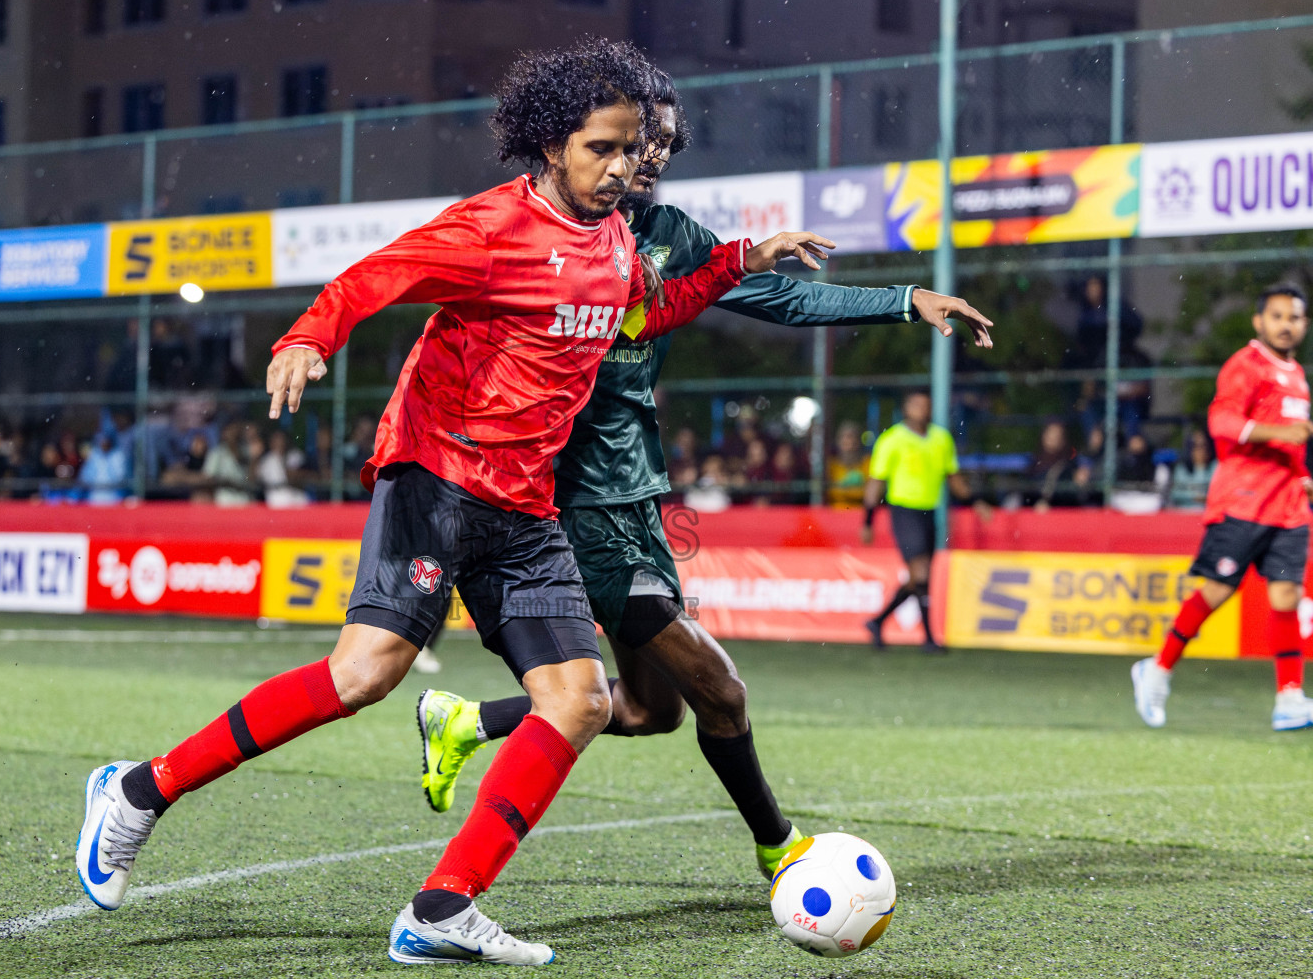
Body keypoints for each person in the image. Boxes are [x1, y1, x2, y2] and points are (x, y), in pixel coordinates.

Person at [75, 38, 823, 966]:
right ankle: (141, 791)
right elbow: (374, 277)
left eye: (633, 151)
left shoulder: (620, 244)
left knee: (581, 699)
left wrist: (750, 255)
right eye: (604, 149)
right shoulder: (489, 229)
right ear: (551, 145)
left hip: (528, 508)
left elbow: (647, 307)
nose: (622, 168)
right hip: (437, 475)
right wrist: (307, 338)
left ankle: (440, 909)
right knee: (363, 677)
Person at [411, 67, 993, 895]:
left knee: (652, 711)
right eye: (637, 136)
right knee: (722, 690)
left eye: (665, 144)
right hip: (575, 505)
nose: (650, 155)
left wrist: (905, 300)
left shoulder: (671, 234)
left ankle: (465, 720)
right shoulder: (541, 228)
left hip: (637, 497)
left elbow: (780, 298)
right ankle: (780, 850)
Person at [1132, 284, 1313, 732]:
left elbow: (1291, 440)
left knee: (1286, 596)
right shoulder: (1246, 365)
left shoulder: (1296, 374)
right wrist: (1277, 435)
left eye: (1295, 317)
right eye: (1277, 316)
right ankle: (1157, 669)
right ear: (1259, 322)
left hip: (1289, 504)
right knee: (1216, 590)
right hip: (1244, 501)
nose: (1286, 325)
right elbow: (1222, 421)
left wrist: (1301, 473)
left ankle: (1289, 698)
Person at [860, 391, 985, 652]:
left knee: (921, 576)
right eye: (916, 404)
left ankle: (878, 621)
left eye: (926, 405)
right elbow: (876, 482)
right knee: (921, 572)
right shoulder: (892, 439)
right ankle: (928, 639)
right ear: (906, 408)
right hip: (904, 511)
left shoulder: (941, 439)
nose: (922, 409)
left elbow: (954, 478)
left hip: (930, 512)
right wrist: (868, 520)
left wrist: (976, 501)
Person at [1168, 428, 1216, 510]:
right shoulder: (1182, 468)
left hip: (1209, 510)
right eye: (1195, 446)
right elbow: (1175, 494)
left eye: (1203, 445)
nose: (1200, 450)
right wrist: (1194, 497)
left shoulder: (1216, 466)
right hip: (1185, 512)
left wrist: (1200, 467)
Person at [826, 420, 868, 508]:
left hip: (860, 512)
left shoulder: (867, 463)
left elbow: (871, 492)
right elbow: (830, 492)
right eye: (845, 437)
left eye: (852, 437)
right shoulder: (831, 465)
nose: (850, 442)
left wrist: (843, 489)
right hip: (835, 513)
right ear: (838, 441)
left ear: (859, 441)